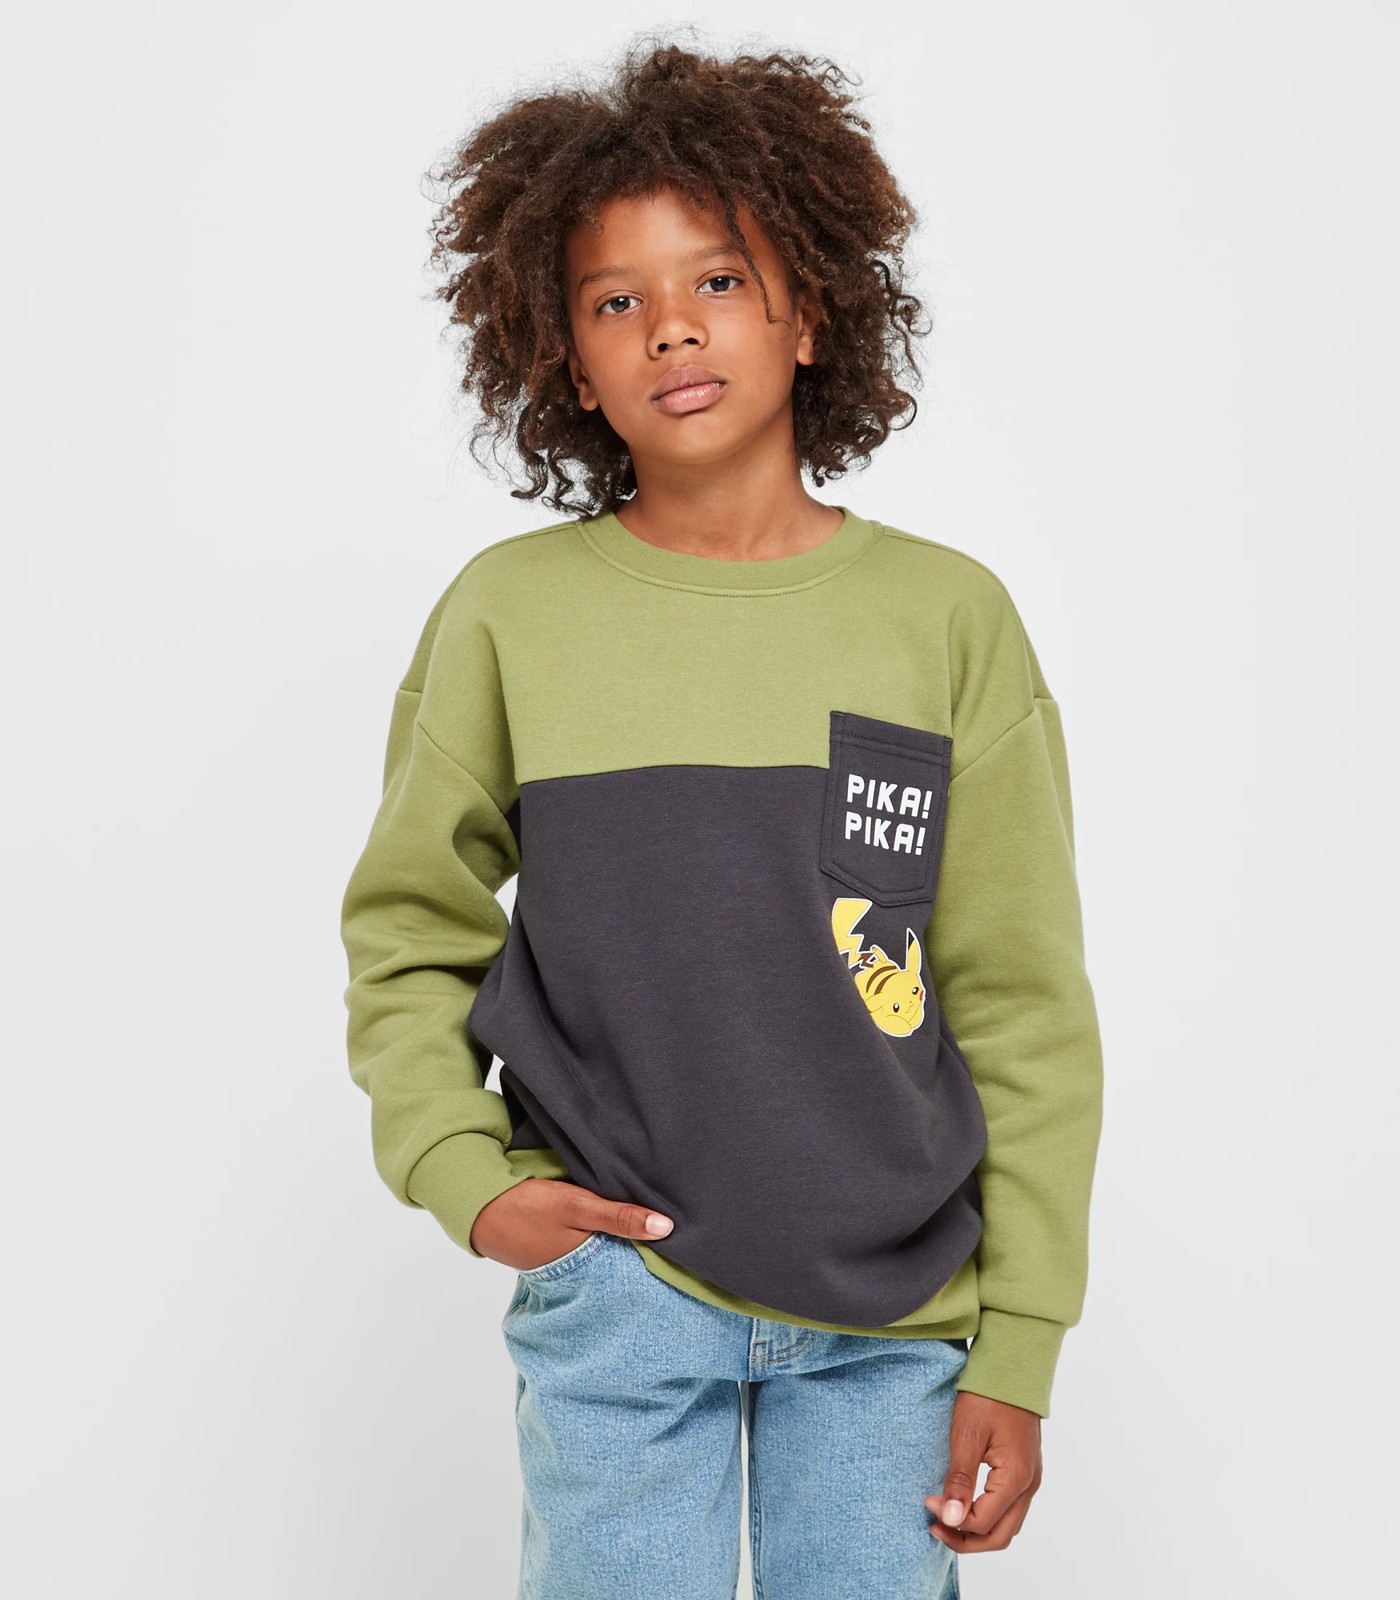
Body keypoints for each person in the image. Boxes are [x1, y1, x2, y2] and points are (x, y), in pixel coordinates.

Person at [340, 34, 1104, 1600]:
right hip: (620, 1293)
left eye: (718, 280)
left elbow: (1022, 1004)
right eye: (614, 301)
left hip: (896, 1315)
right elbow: (409, 930)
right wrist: (469, 1179)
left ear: (810, 312)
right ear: (567, 358)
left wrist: (1020, 1343)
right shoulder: (510, 617)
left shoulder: (945, 621)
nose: (671, 325)